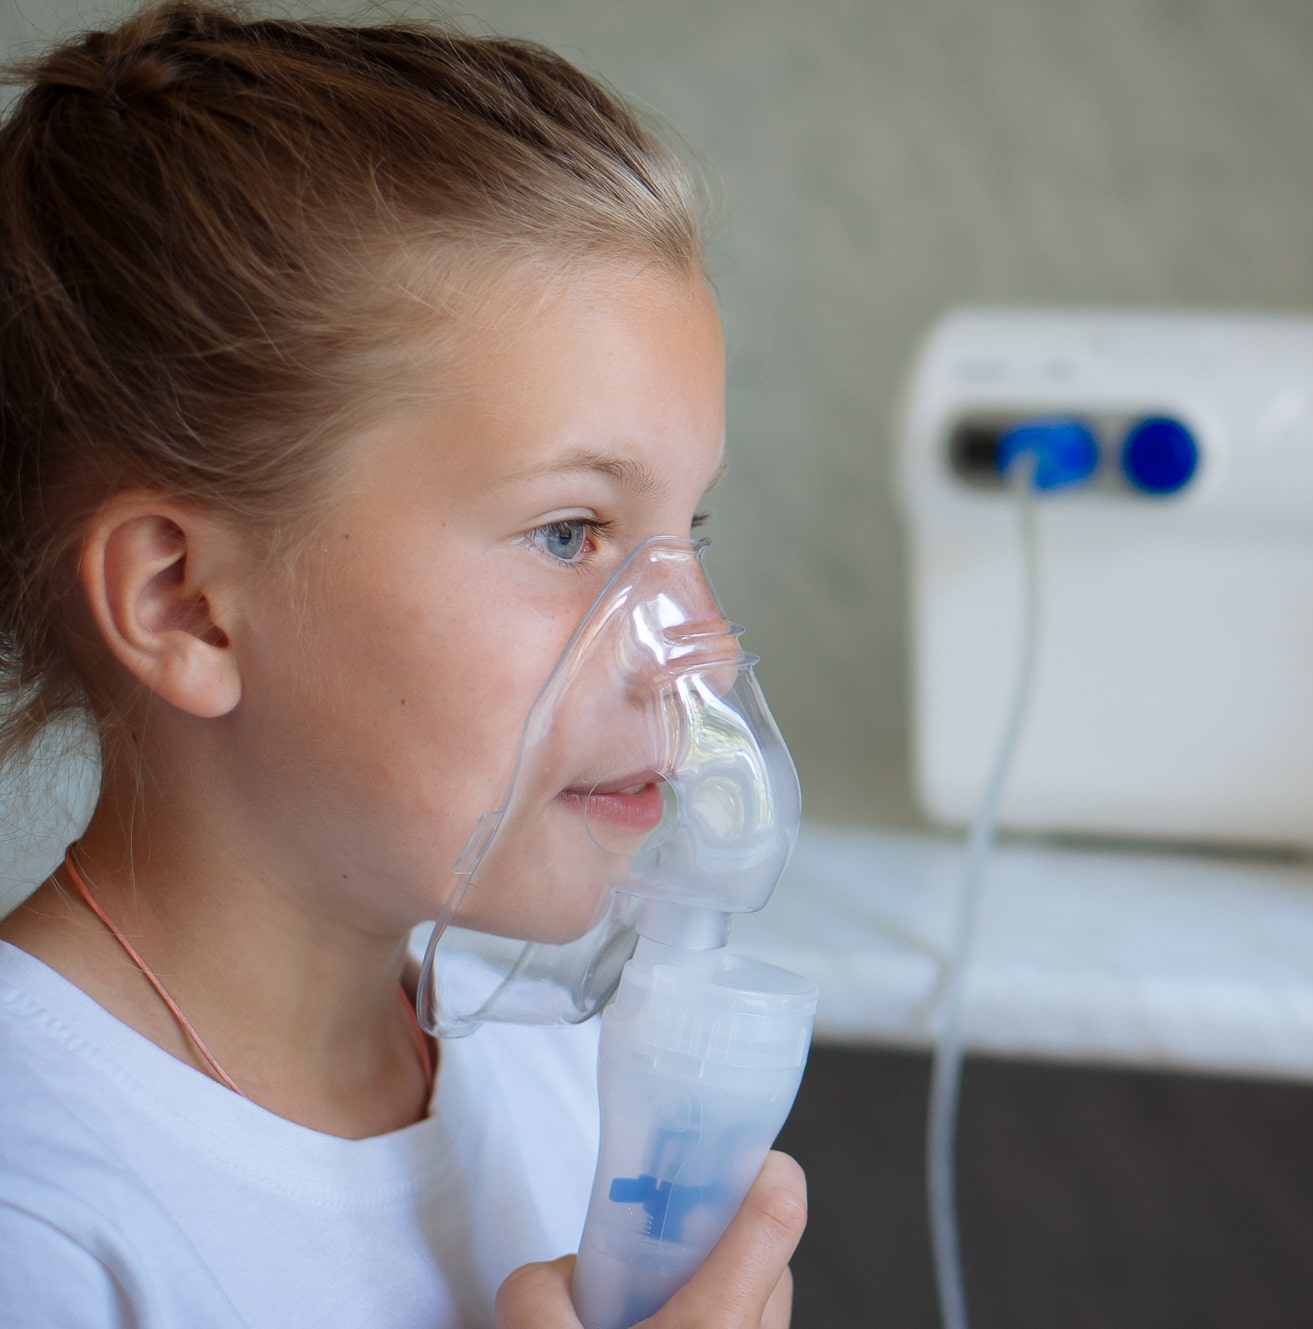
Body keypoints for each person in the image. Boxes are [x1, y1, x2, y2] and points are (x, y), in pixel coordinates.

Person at [0, 3, 806, 1325]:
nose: (698, 660)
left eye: (687, 533)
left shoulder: (564, 1091)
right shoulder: (38, 1215)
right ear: (186, 605)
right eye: (572, 532)